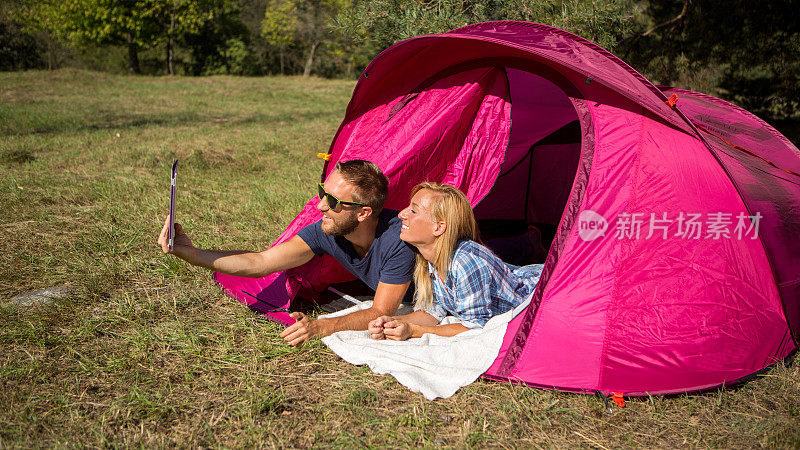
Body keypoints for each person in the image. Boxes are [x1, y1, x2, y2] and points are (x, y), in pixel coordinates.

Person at [158, 159, 415, 346]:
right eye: (322, 192)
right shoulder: (327, 231)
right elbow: (261, 261)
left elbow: (381, 310)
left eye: (334, 201)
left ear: (363, 213)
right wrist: (190, 253)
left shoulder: (398, 238)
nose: (321, 205)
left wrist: (320, 326)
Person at [367, 182, 543, 341]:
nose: (401, 214)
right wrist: (391, 322)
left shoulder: (466, 263)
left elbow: (476, 327)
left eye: (413, 210)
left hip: (542, 291)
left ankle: (530, 242)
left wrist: (415, 331)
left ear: (439, 227)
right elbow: (433, 312)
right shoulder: (428, 258)